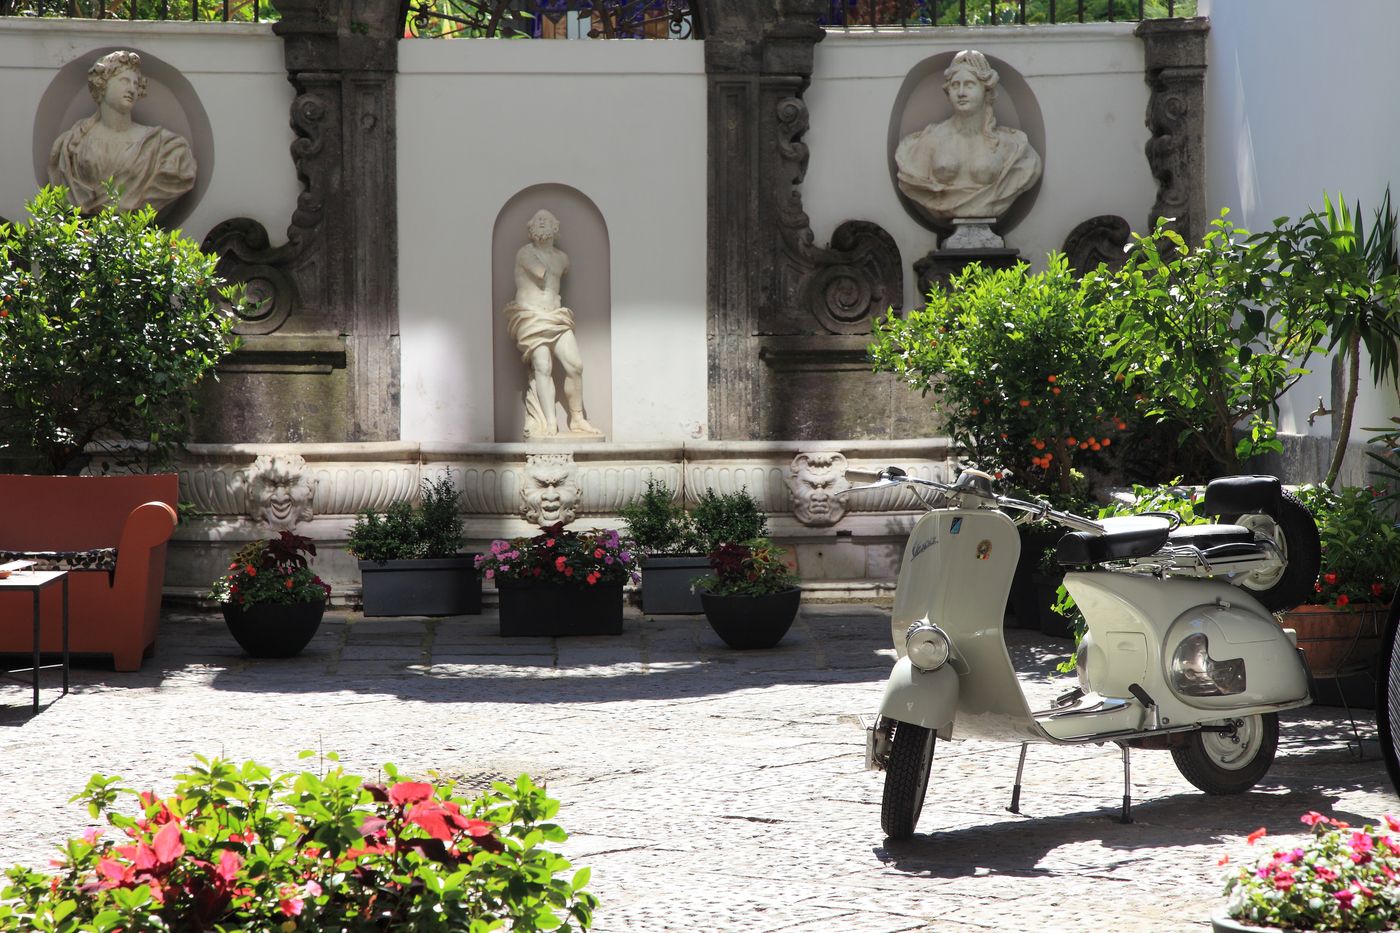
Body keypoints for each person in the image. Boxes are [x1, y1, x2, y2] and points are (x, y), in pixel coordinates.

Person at [894, 49, 1041, 224]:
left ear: (986, 91)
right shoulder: (931, 140)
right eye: (955, 85)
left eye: (969, 85)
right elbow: (911, 179)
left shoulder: (1013, 147)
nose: (961, 92)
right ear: (948, 92)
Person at [47, 50, 197, 215]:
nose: (131, 89)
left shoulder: (165, 147)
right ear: (102, 85)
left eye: (135, 84)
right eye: (124, 81)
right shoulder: (71, 146)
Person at [502, 209, 600, 438]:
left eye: (546, 220)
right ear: (530, 228)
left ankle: (577, 419)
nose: (541, 222)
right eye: (537, 220)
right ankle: (550, 422)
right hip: (531, 316)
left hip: (556, 316)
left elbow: (557, 269)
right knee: (543, 366)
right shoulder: (525, 253)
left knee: (575, 366)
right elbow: (541, 273)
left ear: (556, 227)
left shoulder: (563, 258)